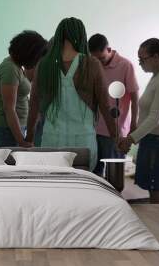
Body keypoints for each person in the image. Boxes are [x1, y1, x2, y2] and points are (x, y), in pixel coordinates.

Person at [26, 18, 116, 170]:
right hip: (82, 144)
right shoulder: (91, 64)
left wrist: (28, 139)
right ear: (82, 36)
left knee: (54, 189)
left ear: (59, 35)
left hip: (51, 143)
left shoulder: (45, 65)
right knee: (81, 189)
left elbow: (33, 104)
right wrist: (116, 138)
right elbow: (105, 106)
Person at [118, 36, 159, 203]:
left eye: (142, 59)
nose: (140, 63)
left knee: (157, 192)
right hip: (151, 140)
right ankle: (158, 224)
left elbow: (155, 118)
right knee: (153, 191)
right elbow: (147, 114)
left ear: (156, 56)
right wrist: (135, 133)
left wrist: (131, 138)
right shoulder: (157, 77)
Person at [88, 34, 139, 176]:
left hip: (115, 131)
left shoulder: (125, 65)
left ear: (109, 49)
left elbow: (135, 97)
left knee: (114, 176)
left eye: (101, 58)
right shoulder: (92, 65)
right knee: (93, 173)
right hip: (92, 129)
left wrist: (134, 123)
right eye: (95, 59)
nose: (98, 62)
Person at [0, 30, 48, 148]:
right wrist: (21, 141)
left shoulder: (17, 67)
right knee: (11, 166)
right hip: (5, 130)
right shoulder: (10, 69)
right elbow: (9, 108)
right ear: (29, 53)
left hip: (13, 129)